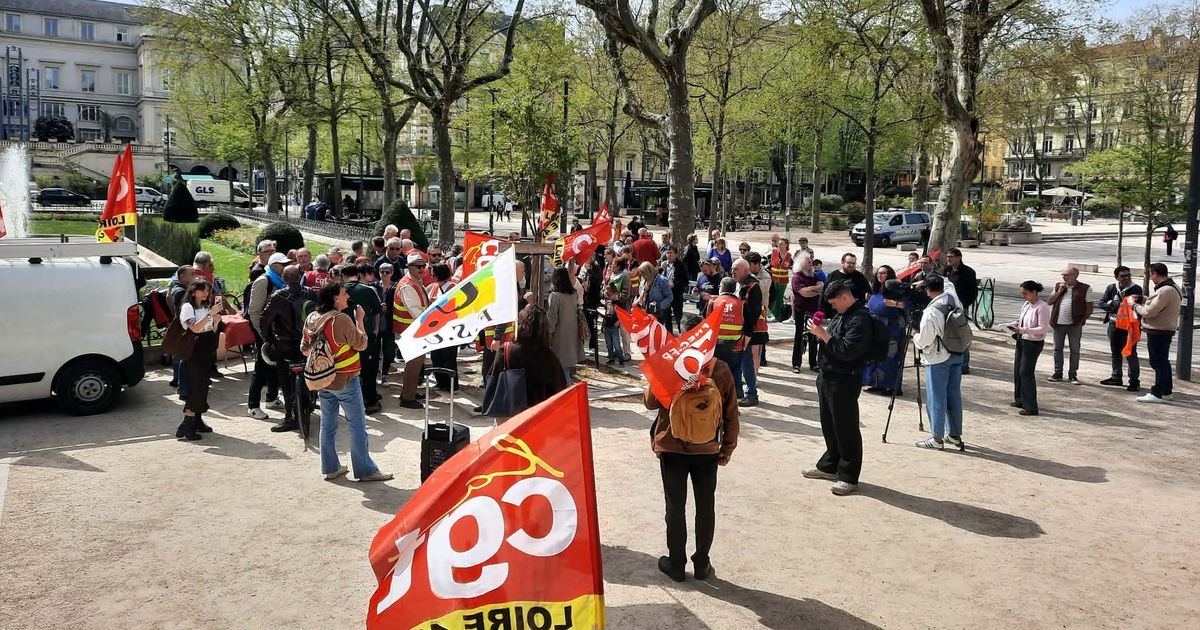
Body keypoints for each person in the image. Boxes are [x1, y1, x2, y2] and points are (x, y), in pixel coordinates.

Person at [644, 313, 740, 583]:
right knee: (705, 505)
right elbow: (731, 413)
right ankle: (701, 563)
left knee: (675, 506)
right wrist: (727, 448)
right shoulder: (718, 368)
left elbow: (650, 403)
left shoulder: (671, 366)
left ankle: (676, 564)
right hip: (707, 448)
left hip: (671, 445)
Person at [302, 283, 393, 482]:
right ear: (335, 298)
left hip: (323, 379)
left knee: (328, 424)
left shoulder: (312, 318)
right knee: (357, 425)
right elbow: (361, 344)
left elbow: (305, 349)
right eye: (344, 294)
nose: (347, 296)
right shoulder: (341, 319)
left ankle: (331, 467)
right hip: (345, 380)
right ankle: (365, 470)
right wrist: (360, 321)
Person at [804, 280, 873, 496]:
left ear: (845, 297)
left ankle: (849, 476)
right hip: (828, 375)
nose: (833, 308)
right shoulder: (842, 314)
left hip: (845, 378)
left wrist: (822, 334)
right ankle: (830, 464)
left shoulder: (861, 319)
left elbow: (846, 350)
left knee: (846, 427)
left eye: (835, 303)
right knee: (829, 424)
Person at [912, 275, 965, 450]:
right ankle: (955, 435)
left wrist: (914, 335)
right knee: (954, 395)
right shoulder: (952, 297)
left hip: (938, 357)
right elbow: (948, 282)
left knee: (936, 397)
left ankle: (937, 438)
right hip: (956, 352)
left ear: (926, 289)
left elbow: (924, 340)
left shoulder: (931, 311)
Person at [489, 305, 569, 409]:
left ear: (520, 324)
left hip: (509, 413)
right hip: (537, 415)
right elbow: (559, 390)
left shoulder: (505, 351)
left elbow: (492, 381)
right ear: (544, 328)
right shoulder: (549, 357)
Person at [260, 265, 308, 433]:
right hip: (306, 344)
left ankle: (290, 417)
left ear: (284, 278)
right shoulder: (310, 293)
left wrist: (270, 340)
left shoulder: (278, 296)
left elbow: (264, 320)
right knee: (309, 376)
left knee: (286, 382)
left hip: (285, 345)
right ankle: (307, 405)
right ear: (300, 276)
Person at [175, 278, 222, 441]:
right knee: (196, 388)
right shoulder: (188, 307)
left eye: (208, 291)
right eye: (203, 290)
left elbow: (212, 329)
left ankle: (196, 421)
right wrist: (210, 315)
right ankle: (187, 425)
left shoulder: (206, 307)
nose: (206, 294)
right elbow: (194, 327)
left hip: (206, 350)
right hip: (194, 352)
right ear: (194, 291)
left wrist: (216, 321)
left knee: (203, 387)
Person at [247, 252, 288, 420]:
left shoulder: (280, 280)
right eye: (282, 264)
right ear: (273, 265)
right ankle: (253, 406)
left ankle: (271, 398)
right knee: (261, 367)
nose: (285, 266)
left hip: (275, 331)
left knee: (274, 365)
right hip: (263, 332)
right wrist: (262, 334)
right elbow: (254, 311)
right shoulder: (263, 281)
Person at [1134, 263, 1182, 403]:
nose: (1150, 278)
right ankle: (1166, 391)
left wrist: (1135, 306)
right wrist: (1145, 299)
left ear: (1155, 274)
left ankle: (1158, 392)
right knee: (1162, 361)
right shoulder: (1172, 287)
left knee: (1158, 362)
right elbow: (1158, 305)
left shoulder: (1165, 290)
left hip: (1159, 330)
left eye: (1150, 275)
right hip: (1164, 329)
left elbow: (1149, 312)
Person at [1002, 281, 1050, 416]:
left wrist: (1022, 330)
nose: (1023, 296)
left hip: (1033, 343)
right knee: (1018, 370)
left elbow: (1042, 328)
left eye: (1025, 293)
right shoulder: (1027, 305)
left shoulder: (1042, 307)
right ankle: (1020, 399)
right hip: (1022, 339)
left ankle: (1031, 406)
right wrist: (1011, 325)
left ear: (1034, 292)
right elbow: (1021, 320)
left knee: (1026, 372)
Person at [392, 252, 431, 409]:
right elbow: (416, 312)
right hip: (409, 331)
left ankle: (411, 391)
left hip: (413, 330)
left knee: (417, 363)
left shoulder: (415, 281)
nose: (422, 269)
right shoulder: (408, 285)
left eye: (423, 266)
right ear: (409, 267)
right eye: (418, 266)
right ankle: (407, 398)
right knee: (413, 364)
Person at [343, 263, 383, 414]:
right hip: (365, 336)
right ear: (358, 275)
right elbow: (377, 312)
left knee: (347, 370)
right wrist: (375, 332)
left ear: (343, 275)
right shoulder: (368, 290)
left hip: (343, 339)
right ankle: (371, 400)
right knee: (368, 370)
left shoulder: (338, 291)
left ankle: (350, 402)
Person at [863, 266, 907, 395]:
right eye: (879, 273)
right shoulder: (875, 290)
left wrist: (896, 304)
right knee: (876, 355)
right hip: (876, 328)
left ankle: (893, 387)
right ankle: (877, 383)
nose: (880, 275)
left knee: (891, 357)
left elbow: (907, 305)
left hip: (892, 329)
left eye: (883, 273)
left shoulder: (896, 290)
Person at [1098, 266, 1142, 391]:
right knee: (1115, 353)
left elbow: (1132, 305)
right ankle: (1116, 377)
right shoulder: (1111, 288)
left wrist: (1112, 303)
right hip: (1113, 325)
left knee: (1130, 354)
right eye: (1123, 276)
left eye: (1128, 275)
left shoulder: (1135, 289)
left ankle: (1134, 381)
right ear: (1116, 277)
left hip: (1129, 327)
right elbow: (1101, 303)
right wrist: (1113, 304)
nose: (1126, 278)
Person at [1046, 265, 1092, 384]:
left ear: (1075, 276)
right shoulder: (1058, 286)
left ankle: (1072, 374)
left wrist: (1081, 321)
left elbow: (1089, 308)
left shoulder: (1085, 288)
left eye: (1066, 275)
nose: (1064, 277)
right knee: (1057, 349)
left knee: (1075, 350)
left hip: (1074, 325)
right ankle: (1058, 373)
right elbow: (1049, 301)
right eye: (1063, 275)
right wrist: (1060, 291)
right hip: (1058, 324)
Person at [736, 255, 768, 407]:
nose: (732, 272)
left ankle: (751, 394)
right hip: (742, 330)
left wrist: (747, 334)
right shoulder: (741, 284)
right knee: (742, 362)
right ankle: (741, 391)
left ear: (745, 270)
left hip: (749, 331)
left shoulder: (752, 286)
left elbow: (753, 312)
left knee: (746, 361)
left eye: (736, 269)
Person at [425, 264, 460, 391]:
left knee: (449, 357)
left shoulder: (452, 288)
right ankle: (441, 382)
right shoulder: (434, 287)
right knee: (436, 356)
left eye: (433, 273)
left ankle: (452, 386)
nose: (431, 276)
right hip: (435, 329)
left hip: (449, 329)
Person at [709, 277, 746, 398]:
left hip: (716, 346)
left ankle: (716, 398)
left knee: (716, 372)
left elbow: (707, 324)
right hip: (735, 345)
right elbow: (747, 324)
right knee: (735, 371)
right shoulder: (741, 304)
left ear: (721, 287)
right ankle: (735, 397)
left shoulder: (713, 302)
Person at [547, 266, 584, 380]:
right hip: (571, 334)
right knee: (565, 368)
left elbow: (551, 319)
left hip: (558, 336)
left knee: (561, 371)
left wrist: (547, 334)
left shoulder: (554, 296)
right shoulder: (573, 294)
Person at [944, 248, 977, 373]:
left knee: (961, 335)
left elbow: (973, 292)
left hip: (960, 309)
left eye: (951, 256)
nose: (949, 259)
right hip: (947, 307)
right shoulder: (947, 271)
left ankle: (964, 364)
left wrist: (964, 305)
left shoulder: (968, 272)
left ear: (959, 257)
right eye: (948, 256)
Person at [790, 254, 824, 373]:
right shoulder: (797, 278)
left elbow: (822, 286)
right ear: (802, 264)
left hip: (813, 310)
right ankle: (796, 364)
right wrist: (815, 289)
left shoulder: (814, 275)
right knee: (799, 337)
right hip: (801, 311)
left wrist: (811, 289)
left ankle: (813, 363)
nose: (812, 264)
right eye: (809, 262)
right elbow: (804, 293)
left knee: (814, 336)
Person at [167, 265, 194, 395]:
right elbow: (185, 313)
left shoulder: (177, 288)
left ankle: (177, 380)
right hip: (183, 329)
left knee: (179, 356)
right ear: (182, 276)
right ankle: (182, 386)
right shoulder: (180, 292)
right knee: (183, 358)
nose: (194, 276)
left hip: (179, 327)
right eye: (192, 274)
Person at [638, 261, 674, 331]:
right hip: (645, 313)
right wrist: (636, 302)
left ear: (649, 271)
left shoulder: (662, 281)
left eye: (643, 273)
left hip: (659, 314)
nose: (642, 275)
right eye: (641, 273)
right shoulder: (643, 281)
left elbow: (670, 297)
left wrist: (659, 305)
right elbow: (641, 294)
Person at [662, 246, 688, 333]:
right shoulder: (665, 265)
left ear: (676, 254)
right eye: (667, 253)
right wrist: (660, 269)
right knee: (666, 318)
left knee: (678, 318)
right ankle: (669, 336)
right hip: (665, 295)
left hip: (676, 295)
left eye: (671, 253)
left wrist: (675, 284)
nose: (669, 255)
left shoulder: (681, 265)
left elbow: (685, 282)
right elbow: (658, 278)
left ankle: (681, 334)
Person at [768, 238, 792, 320]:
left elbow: (792, 267)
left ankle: (774, 315)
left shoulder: (789, 256)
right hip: (773, 279)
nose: (780, 245)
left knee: (779, 297)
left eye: (782, 244)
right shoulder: (774, 252)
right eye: (779, 243)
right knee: (773, 296)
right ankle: (774, 313)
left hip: (783, 280)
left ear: (786, 245)